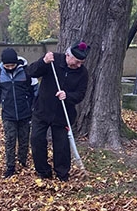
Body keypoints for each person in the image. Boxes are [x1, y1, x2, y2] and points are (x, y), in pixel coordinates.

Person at [26, 41, 90, 181]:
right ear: (68, 55)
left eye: (82, 62)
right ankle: (43, 172)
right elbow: (31, 72)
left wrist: (67, 95)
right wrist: (43, 61)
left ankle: (62, 173)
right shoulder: (53, 60)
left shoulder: (82, 73)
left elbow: (80, 94)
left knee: (61, 145)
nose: (79, 65)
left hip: (63, 114)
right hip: (42, 110)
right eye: (77, 61)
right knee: (37, 140)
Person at [0, 48, 38, 178]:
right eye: (7, 66)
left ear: (17, 62)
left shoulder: (27, 72)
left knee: (24, 139)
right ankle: (10, 166)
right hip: (8, 114)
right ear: (3, 64)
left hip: (25, 112)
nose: (10, 68)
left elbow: (35, 91)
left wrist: (34, 108)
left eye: (12, 65)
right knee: (10, 140)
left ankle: (22, 161)